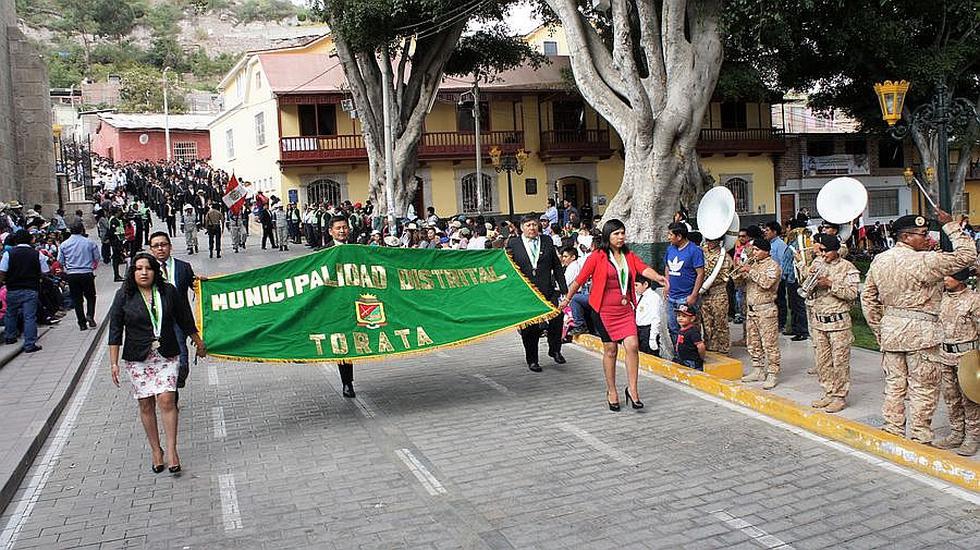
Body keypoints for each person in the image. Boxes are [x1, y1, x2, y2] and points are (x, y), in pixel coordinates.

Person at [861, 209, 976, 443]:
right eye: (922, 234)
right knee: (923, 386)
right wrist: (951, 226)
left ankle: (893, 428)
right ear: (906, 237)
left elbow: (868, 297)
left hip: (892, 331)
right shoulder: (924, 261)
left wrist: (878, 329)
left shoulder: (880, 259)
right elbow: (968, 255)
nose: (928, 238)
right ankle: (919, 433)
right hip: (921, 334)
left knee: (894, 384)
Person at [108, 253, 206, 475]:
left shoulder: (168, 291)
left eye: (148, 268)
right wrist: (113, 363)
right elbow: (115, 331)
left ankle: (172, 451)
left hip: (167, 353)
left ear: (155, 271)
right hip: (138, 358)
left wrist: (199, 343)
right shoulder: (123, 296)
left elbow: (185, 319)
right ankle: (156, 450)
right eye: (139, 269)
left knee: (167, 399)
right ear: (132, 273)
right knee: (145, 404)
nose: (144, 272)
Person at [560, 219, 666, 410]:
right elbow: (579, 280)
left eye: (622, 233)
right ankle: (612, 390)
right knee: (611, 351)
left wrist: (658, 277)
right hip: (603, 310)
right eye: (616, 233)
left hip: (625, 309)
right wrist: (567, 299)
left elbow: (643, 268)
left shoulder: (629, 255)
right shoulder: (597, 256)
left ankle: (633, 390)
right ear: (608, 235)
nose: (620, 237)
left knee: (632, 346)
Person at [805, 233, 860, 413]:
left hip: (838, 323)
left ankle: (839, 396)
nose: (822, 254)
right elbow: (807, 291)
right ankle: (828, 391)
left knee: (840, 362)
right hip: (819, 322)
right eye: (819, 251)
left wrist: (830, 284)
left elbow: (852, 294)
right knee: (822, 361)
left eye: (825, 251)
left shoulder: (847, 268)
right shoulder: (817, 264)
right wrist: (809, 280)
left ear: (835, 250)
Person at [508, 213, 568, 373]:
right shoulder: (514, 243)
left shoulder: (547, 241)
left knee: (557, 317)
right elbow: (508, 268)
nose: (532, 228)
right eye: (528, 225)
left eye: (534, 225)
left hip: (548, 289)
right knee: (530, 328)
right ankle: (532, 359)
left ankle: (555, 349)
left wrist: (564, 289)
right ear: (522, 228)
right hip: (526, 293)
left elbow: (556, 266)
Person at [933, 269, 980, 455]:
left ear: (961, 279)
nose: (945, 279)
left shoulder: (974, 300)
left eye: (950, 276)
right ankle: (956, 433)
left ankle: (972, 437)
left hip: (967, 357)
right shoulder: (942, 298)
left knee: (969, 398)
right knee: (951, 397)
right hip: (945, 356)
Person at [148, 232, 197, 391]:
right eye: (156, 246)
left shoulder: (183, 267)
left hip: (179, 321)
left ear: (170, 246)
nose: (160, 248)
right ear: (151, 249)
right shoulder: (146, 270)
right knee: (164, 361)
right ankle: (169, 393)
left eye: (164, 244)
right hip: (155, 323)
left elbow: (194, 285)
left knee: (182, 361)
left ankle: (176, 381)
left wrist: (203, 283)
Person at [736, 238, 782, 390]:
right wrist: (740, 274)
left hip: (766, 310)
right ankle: (758, 370)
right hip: (751, 310)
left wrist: (750, 271)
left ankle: (773, 373)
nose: (754, 253)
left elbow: (767, 284)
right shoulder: (753, 265)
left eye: (757, 250)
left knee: (769, 344)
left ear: (766, 251)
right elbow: (741, 284)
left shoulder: (772, 266)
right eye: (753, 250)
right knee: (753, 342)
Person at [0, 229, 49, 352]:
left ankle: (10, 336)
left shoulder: (8, 254)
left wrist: (6, 281)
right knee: (29, 316)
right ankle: (29, 343)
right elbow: (45, 271)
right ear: (29, 239)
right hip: (30, 288)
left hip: (12, 288)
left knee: (11, 313)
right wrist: (37, 278)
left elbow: (2, 272)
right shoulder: (37, 254)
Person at [323, 216, 356, 397]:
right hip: (336, 305)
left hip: (359, 302)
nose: (342, 231)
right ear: (331, 231)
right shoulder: (322, 253)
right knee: (343, 344)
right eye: (338, 228)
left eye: (344, 227)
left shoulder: (358, 249)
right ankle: (347, 383)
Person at [663, 221, 705, 346]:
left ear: (679, 236)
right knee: (672, 326)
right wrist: (667, 284)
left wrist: (693, 295)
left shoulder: (694, 251)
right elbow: (667, 267)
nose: (668, 237)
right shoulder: (670, 249)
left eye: (670, 234)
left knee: (689, 329)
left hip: (686, 297)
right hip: (672, 296)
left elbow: (700, 273)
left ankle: (691, 354)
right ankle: (679, 352)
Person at [57, 222, 100, 331]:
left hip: (72, 274)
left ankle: (81, 323)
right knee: (90, 296)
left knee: (77, 299)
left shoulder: (64, 244)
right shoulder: (90, 243)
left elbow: (60, 261)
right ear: (82, 230)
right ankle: (90, 315)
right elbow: (97, 257)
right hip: (86, 273)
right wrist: (92, 266)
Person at [700, 237, 731, 353]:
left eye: (712, 241)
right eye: (708, 240)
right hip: (704, 294)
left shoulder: (724, 256)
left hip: (718, 293)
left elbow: (724, 275)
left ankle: (723, 349)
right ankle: (710, 347)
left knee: (720, 323)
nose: (709, 243)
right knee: (707, 324)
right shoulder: (701, 252)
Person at [762, 221, 789, 334]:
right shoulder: (768, 244)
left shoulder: (780, 244)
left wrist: (779, 277)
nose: (765, 232)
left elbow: (783, 262)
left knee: (780, 301)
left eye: (768, 230)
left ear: (774, 232)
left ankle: (781, 323)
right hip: (768, 278)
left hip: (778, 278)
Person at [559, 245, 589, 336]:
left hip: (572, 295)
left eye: (566, 256)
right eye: (563, 257)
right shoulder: (571, 266)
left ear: (573, 257)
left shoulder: (573, 267)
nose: (563, 259)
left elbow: (564, 283)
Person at [634, 275, 662, 356]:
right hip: (639, 329)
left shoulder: (653, 297)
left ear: (645, 284)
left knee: (650, 354)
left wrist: (652, 337)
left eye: (636, 285)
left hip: (648, 331)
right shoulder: (638, 296)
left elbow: (656, 318)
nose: (635, 288)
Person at [673, 303, 705, 370]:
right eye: (678, 316)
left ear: (692, 318)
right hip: (682, 358)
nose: (680, 318)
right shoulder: (682, 329)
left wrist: (701, 357)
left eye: (684, 316)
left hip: (691, 361)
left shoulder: (693, 331)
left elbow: (700, 346)